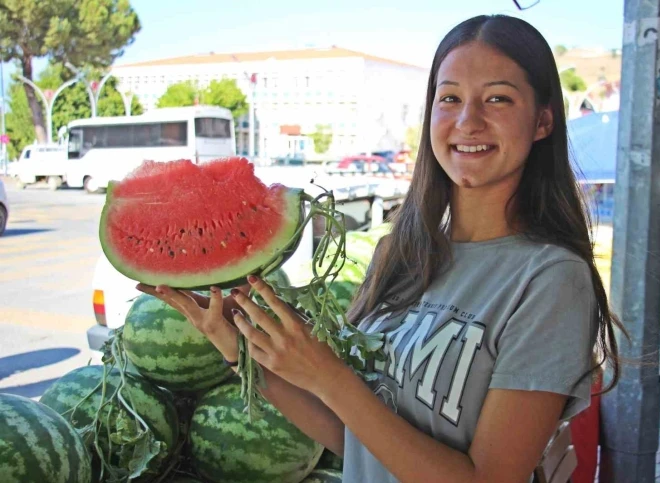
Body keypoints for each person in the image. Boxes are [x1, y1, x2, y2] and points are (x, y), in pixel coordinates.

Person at [138, 14, 625, 483]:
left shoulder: (550, 280)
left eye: (497, 99)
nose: (467, 120)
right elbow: (353, 438)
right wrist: (236, 346)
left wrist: (331, 377)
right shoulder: (401, 253)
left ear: (542, 121)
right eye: (449, 98)